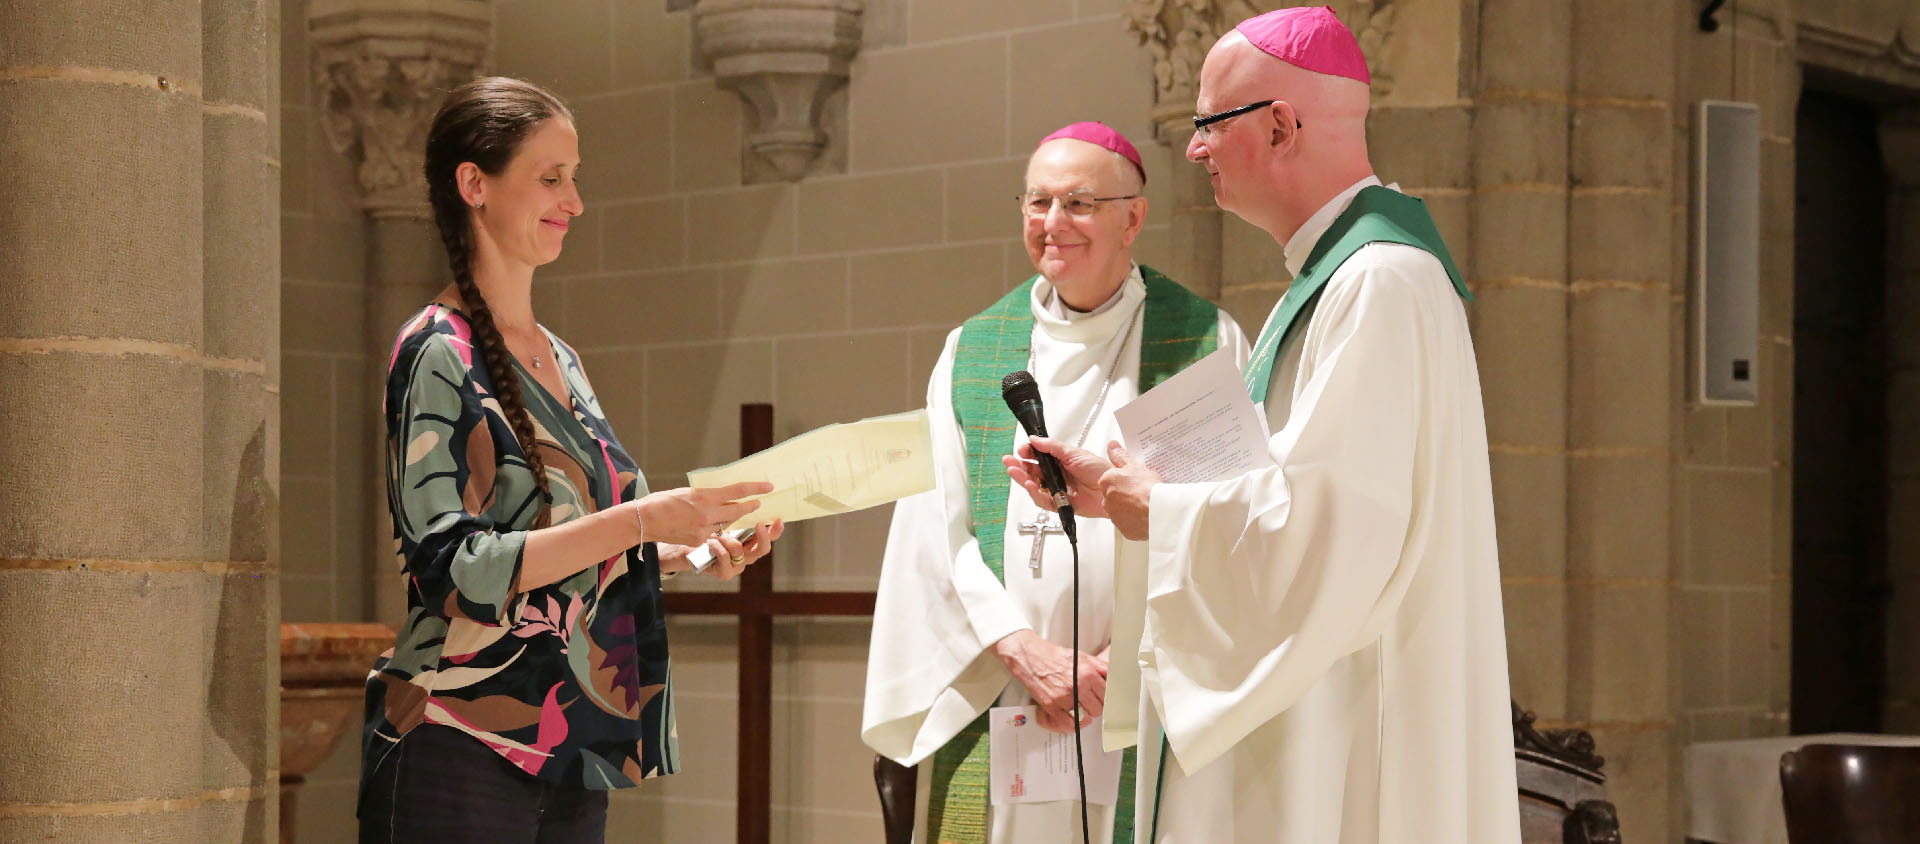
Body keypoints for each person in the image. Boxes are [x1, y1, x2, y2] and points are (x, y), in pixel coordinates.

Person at [1006, 9, 1522, 843]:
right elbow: (1292, 485)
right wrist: (1121, 494)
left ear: (1281, 125)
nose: (1195, 147)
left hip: (1345, 727)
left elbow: (1332, 529)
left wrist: (1163, 513)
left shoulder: (1378, 282)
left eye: (1210, 122)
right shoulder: (1336, 280)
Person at [356, 76, 785, 844]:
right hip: (459, 735)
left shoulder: (562, 358)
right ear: (474, 184)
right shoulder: (436, 351)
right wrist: (643, 517)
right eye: (551, 178)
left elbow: (582, 536)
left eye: (574, 177)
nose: (575, 201)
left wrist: (687, 548)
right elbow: (450, 567)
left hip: (569, 741)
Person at [862, 121, 1250, 844]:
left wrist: (1118, 665)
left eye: (1079, 204)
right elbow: (933, 528)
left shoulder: (1201, 341)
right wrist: (1023, 649)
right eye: (1037, 203)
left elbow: (1226, 522)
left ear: (1133, 216)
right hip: (1006, 684)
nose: (1052, 225)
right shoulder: (973, 350)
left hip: (1144, 696)